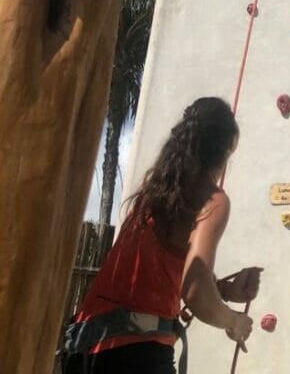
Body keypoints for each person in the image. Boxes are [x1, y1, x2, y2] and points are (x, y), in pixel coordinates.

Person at [62, 98, 260, 374]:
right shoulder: (212, 200)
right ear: (228, 149)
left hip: (82, 349)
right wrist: (234, 322)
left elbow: (169, 268)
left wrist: (223, 291)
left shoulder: (155, 194)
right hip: (137, 355)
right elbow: (195, 293)